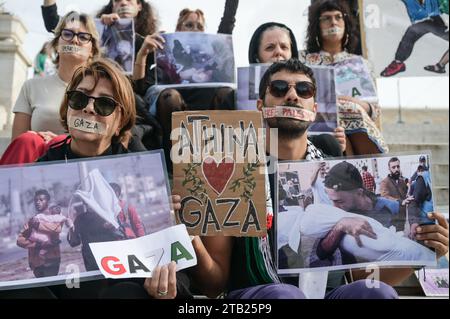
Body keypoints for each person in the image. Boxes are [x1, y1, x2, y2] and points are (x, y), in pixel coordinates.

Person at [140, 1, 240, 174]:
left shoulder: (212, 58)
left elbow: (226, 26)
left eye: (199, 26)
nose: (194, 29)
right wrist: (147, 54)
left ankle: (225, 163)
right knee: (169, 97)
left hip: (211, 122)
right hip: (175, 130)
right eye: (189, 25)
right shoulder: (166, 61)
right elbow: (142, 89)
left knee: (228, 93)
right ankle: (174, 170)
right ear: (178, 30)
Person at [0, 11, 101, 165]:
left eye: (83, 37)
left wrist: (61, 142)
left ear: (92, 50)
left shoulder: (101, 90)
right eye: (67, 34)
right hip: (35, 165)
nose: (74, 40)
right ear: (56, 44)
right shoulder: (31, 86)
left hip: (81, 166)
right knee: (28, 140)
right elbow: (18, 145)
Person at [315, 161, 448, 271]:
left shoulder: (390, 207)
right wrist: (340, 226)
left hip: (396, 273)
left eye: (339, 201)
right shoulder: (339, 215)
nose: (334, 206)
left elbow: (405, 241)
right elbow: (321, 252)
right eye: (332, 200)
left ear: (360, 193)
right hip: (358, 280)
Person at [300, 0, 388, 155]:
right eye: (326, 18)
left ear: (346, 23)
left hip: (359, 132)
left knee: (351, 111)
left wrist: (356, 103)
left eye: (338, 17)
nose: (333, 22)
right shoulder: (304, 61)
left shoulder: (362, 64)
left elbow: (375, 110)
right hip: (318, 128)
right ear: (317, 26)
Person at [248, 21, 346, 154]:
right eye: (278, 88)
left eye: (304, 90)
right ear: (260, 105)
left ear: (315, 109)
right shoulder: (243, 164)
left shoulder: (328, 150)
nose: (292, 95)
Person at [381, 0, 449, 77]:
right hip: (428, 19)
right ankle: (398, 63)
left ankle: (440, 66)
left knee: (413, 30)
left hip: (441, 22)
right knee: (412, 30)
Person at [16, 190, 72, 278]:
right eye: (36, 200)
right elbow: (19, 240)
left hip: (50, 260)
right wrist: (36, 244)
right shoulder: (32, 220)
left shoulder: (55, 217)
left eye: (41, 200)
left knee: (51, 286)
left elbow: (56, 229)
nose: (38, 202)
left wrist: (38, 225)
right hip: (36, 263)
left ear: (47, 201)